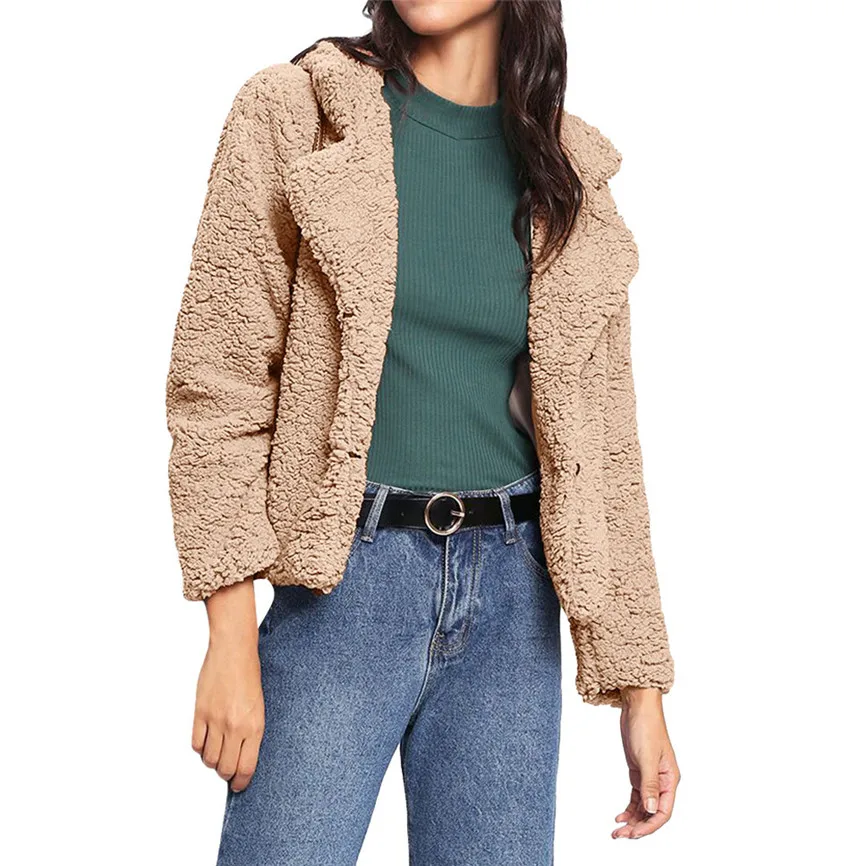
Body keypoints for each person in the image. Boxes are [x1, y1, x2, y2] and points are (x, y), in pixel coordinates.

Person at [165, 1, 680, 862]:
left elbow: (604, 448)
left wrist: (640, 687)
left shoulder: (567, 172)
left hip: (513, 604)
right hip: (340, 593)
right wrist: (228, 632)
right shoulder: (297, 115)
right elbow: (216, 381)